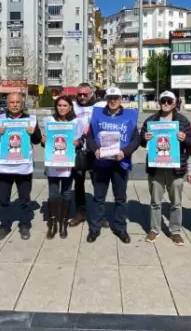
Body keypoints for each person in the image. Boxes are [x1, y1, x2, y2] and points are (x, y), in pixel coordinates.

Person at [86, 86, 141, 244]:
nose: (113, 101)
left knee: (121, 198)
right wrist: (95, 149)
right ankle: (94, 229)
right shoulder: (98, 115)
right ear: (106, 100)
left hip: (120, 163)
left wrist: (125, 152)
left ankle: (120, 228)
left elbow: (136, 139)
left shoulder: (130, 116)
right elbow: (89, 137)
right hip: (101, 162)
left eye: (116, 98)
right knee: (98, 198)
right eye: (110, 98)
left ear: (121, 99)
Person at [140, 91, 191, 246]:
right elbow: (142, 141)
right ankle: (154, 229)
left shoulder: (182, 121)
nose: (165, 103)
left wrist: (186, 139)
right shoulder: (151, 120)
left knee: (176, 202)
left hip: (175, 167)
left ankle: (175, 231)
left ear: (175, 103)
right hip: (156, 167)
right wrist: (145, 138)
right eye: (163, 101)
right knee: (155, 201)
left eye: (169, 101)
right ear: (159, 102)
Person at [0, 92, 42, 241]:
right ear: (7, 104)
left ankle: (24, 225)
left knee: (25, 198)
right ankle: (4, 226)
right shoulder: (0, 119)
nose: (14, 105)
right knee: (3, 199)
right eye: (11, 102)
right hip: (5, 167)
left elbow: (37, 140)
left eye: (17, 102)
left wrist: (34, 132)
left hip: (23, 166)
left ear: (22, 103)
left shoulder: (31, 119)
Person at [41, 95, 84, 239]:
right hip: (53, 162)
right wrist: (43, 140)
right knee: (53, 194)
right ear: (56, 107)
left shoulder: (76, 122)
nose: (62, 108)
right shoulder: (50, 121)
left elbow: (82, 139)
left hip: (68, 162)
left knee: (66, 193)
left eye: (65, 105)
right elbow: (45, 142)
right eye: (59, 105)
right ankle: (53, 222)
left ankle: (63, 223)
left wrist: (78, 143)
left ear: (70, 107)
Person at [70, 82, 97, 227]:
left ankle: (100, 213)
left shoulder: (99, 107)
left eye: (85, 94)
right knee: (78, 183)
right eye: (79, 94)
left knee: (98, 183)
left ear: (91, 94)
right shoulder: (72, 107)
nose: (82, 97)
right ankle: (80, 212)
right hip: (77, 151)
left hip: (95, 151)